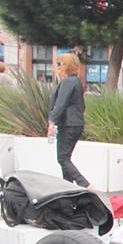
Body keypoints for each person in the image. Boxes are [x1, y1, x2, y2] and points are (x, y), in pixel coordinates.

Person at [47, 53, 91, 188]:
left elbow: (61, 104)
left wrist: (52, 122)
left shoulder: (67, 81)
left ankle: (84, 183)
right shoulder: (76, 81)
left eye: (60, 64)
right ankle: (68, 187)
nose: (57, 67)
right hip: (75, 123)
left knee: (62, 158)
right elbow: (81, 105)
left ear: (67, 66)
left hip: (69, 124)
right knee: (65, 157)